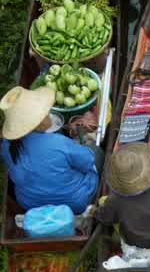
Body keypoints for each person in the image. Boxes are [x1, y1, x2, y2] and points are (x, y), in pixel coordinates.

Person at [0, 85, 99, 214]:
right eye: (45, 112)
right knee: (96, 152)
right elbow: (88, 160)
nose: (48, 114)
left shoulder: (6, 146)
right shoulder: (57, 142)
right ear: (37, 121)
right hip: (74, 203)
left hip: (32, 205)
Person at [96, 143, 150, 270]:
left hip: (137, 242)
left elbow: (106, 219)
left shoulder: (114, 199)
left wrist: (94, 211)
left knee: (106, 206)